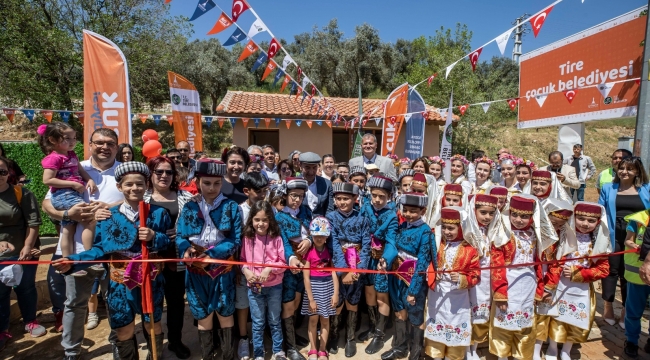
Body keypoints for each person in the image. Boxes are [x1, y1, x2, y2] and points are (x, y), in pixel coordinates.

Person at [54, 161, 171, 360]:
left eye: (140, 183)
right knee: (123, 329)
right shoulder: (108, 216)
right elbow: (99, 249)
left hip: (150, 282)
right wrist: (73, 261)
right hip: (119, 283)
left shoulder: (159, 213)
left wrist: (154, 236)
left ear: (147, 185)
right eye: (129, 184)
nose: (135, 188)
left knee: (153, 325)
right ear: (119, 187)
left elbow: (168, 243)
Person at [46, 128, 124, 358]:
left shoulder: (124, 170)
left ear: (117, 147)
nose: (104, 147)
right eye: (99, 142)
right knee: (74, 304)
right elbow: (47, 203)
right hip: (77, 251)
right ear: (89, 144)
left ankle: (118, 344)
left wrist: (108, 208)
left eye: (110, 143)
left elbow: (138, 199)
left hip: (114, 250)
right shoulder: (71, 166)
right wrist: (69, 214)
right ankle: (71, 351)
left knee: (116, 302)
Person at [175, 159, 242, 360]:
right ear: (197, 181)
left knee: (225, 312)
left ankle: (228, 355)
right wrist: (186, 249)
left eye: (217, 183)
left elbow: (235, 239)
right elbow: (180, 236)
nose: (212, 188)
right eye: (207, 183)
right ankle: (208, 355)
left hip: (221, 269)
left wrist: (212, 254)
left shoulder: (231, 207)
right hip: (195, 270)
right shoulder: (189, 207)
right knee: (202, 314)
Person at [489, 195, 557, 360]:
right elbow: (497, 266)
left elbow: (540, 262)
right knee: (503, 320)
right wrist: (500, 293)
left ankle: (522, 354)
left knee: (525, 323)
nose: (519, 220)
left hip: (528, 283)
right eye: (515, 215)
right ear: (509, 212)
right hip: (508, 281)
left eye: (524, 216)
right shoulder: (503, 234)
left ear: (532, 216)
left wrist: (541, 287)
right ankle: (502, 356)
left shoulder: (536, 234)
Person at [544, 202, 610, 360]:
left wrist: (580, 273)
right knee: (556, 318)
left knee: (574, 319)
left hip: (581, 289)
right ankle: (553, 347)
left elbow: (603, 269)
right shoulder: (562, 236)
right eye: (581, 219)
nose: (585, 224)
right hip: (559, 284)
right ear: (574, 217)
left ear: (598, 222)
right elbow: (551, 259)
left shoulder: (598, 244)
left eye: (591, 221)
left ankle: (567, 349)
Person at [144, 156, 194, 359]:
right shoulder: (142, 197)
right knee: (150, 304)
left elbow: (194, 224)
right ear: (150, 174)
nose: (164, 176)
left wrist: (184, 234)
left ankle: (175, 341)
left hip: (177, 259)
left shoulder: (185, 197)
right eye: (159, 172)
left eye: (169, 172)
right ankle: (153, 345)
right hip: (152, 260)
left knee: (175, 303)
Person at [380, 192, 434, 360]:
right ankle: (400, 347)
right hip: (396, 278)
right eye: (406, 210)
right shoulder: (401, 227)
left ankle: (416, 352)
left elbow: (423, 263)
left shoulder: (425, 232)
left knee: (415, 315)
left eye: (413, 211)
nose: (408, 214)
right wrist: (385, 260)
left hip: (413, 281)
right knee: (399, 311)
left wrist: (413, 290)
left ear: (423, 211)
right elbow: (392, 246)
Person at [598, 156, 650, 327]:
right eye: (621, 168)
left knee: (629, 273)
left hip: (636, 236)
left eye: (629, 169)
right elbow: (600, 212)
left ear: (637, 172)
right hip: (613, 234)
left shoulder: (646, 189)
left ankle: (626, 310)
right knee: (611, 270)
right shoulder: (608, 188)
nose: (624, 172)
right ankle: (608, 306)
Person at [38, 123, 97, 270]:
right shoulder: (53, 158)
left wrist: (89, 179)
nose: (72, 141)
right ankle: (90, 258)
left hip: (70, 194)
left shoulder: (71, 154)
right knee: (90, 218)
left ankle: (67, 261)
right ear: (53, 140)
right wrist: (72, 184)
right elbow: (47, 180)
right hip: (64, 195)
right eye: (67, 138)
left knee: (67, 228)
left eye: (74, 138)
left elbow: (80, 169)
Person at [424, 207, 480, 360]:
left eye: (451, 228)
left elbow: (475, 275)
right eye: (445, 228)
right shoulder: (437, 244)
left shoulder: (470, 250)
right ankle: (436, 356)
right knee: (436, 324)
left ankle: (452, 357)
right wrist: (434, 273)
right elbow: (427, 263)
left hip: (458, 299)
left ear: (461, 227)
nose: (447, 232)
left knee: (456, 327)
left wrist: (461, 278)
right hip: (437, 295)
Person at [0, 156, 44, 348]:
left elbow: (33, 223)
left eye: (2, 171)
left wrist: (27, 247)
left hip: (22, 253)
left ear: (8, 173)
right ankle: (2, 329)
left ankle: (30, 321)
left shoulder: (22, 194)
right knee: (0, 293)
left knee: (26, 288)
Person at [326, 182, 371, 357]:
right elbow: (334, 243)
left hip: (357, 266)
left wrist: (357, 271)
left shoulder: (362, 219)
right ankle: (335, 334)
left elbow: (366, 245)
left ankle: (350, 337)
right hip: (338, 265)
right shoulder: (331, 217)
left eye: (346, 198)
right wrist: (343, 271)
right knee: (337, 302)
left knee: (353, 301)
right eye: (338, 199)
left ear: (355, 198)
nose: (342, 202)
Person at [240, 201, 287, 360]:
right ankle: (259, 354)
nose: (261, 224)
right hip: (254, 287)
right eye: (257, 220)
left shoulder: (276, 238)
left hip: (274, 287)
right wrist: (245, 270)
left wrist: (269, 268)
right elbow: (242, 260)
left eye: (265, 220)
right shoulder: (247, 238)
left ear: (270, 221)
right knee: (258, 322)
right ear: (251, 220)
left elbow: (283, 263)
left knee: (274, 320)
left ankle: (278, 350)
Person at [467, 194, 509, 360]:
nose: (487, 217)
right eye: (483, 212)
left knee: (481, 314)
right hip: (469, 280)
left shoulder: (496, 231)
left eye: (491, 213)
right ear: (474, 210)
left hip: (486, 280)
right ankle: (465, 348)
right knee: (466, 314)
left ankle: (474, 347)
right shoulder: (468, 230)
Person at [360, 174, 398, 355]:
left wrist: (386, 258)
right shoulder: (365, 208)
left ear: (389, 197)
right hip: (366, 258)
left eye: (382, 196)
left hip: (381, 261)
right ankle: (373, 326)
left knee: (381, 296)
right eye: (374, 195)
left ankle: (379, 335)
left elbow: (391, 241)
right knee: (369, 293)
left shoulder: (391, 216)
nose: (377, 199)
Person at [534, 198, 575, 360]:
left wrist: (549, 288)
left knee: (543, 315)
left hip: (549, 279)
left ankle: (537, 349)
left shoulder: (561, 238)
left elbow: (558, 264)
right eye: (553, 223)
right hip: (531, 277)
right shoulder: (534, 233)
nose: (556, 228)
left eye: (560, 225)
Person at [275, 177, 312, 360]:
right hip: (289, 265)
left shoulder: (306, 211)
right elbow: (282, 241)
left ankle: (290, 336)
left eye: (300, 196)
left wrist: (309, 240)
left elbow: (315, 230)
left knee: (297, 301)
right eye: (293, 195)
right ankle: (289, 347)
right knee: (288, 304)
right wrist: (291, 258)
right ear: (285, 195)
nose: (296, 199)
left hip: (305, 264)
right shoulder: (279, 216)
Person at [236, 172, 269, 360]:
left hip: (265, 270)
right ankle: (242, 337)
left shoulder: (267, 209)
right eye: (258, 191)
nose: (262, 195)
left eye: (265, 190)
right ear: (247, 191)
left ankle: (261, 336)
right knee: (243, 304)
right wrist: (241, 268)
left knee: (262, 304)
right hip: (245, 268)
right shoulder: (239, 211)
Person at [302, 217, 339, 360]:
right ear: (312, 235)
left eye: (322, 236)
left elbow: (334, 272)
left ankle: (322, 350)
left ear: (326, 236)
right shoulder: (309, 252)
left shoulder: (329, 251)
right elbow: (306, 277)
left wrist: (335, 293)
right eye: (316, 236)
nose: (319, 238)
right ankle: (313, 349)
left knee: (325, 320)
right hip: (313, 288)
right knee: (312, 321)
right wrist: (311, 299)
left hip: (328, 287)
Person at [623, 204, 650, 357]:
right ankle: (632, 341)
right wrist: (635, 245)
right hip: (637, 275)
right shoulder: (638, 219)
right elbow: (628, 240)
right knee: (633, 311)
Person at [299, 152, 334, 216]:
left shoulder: (326, 184)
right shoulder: (295, 183)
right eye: (307, 168)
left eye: (314, 168)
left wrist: (326, 224)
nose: (311, 172)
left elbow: (329, 210)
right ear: (300, 166)